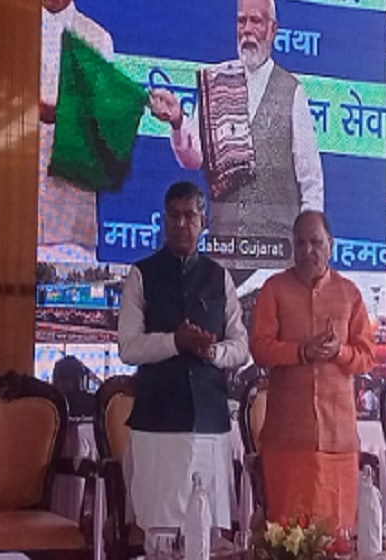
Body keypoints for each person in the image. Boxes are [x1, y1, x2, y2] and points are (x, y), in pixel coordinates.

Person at [148, 0, 324, 263]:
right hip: (226, 250)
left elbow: (310, 180)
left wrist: (309, 250)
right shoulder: (217, 83)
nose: (247, 30)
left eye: (256, 21)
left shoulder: (292, 91)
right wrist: (178, 121)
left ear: (273, 29)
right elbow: (193, 159)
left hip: (276, 255)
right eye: (242, 21)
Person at [117, 181, 250, 531]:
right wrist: (175, 342)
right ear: (164, 221)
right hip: (157, 424)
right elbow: (128, 347)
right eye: (173, 216)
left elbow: (241, 347)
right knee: (159, 534)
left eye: (189, 216)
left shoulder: (219, 277)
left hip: (210, 426)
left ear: (203, 221)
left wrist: (212, 351)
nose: (181, 224)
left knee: (209, 533)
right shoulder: (141, 274)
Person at [250, 211, 376, 529]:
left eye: (316, 242)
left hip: (338, 441)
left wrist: (340, 352)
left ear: (330, 244)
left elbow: (367, 356)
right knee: (288, 538)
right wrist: (301, 352)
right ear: (292, 246)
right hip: (287, 440)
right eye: (301, 243)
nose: (308, 250)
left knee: (337, 535)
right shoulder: (274, 289)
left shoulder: (349, 293)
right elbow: (260, 349)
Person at [39, 0, 114, 265]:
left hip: (71, 212)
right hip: (16, 204)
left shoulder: (97, 39)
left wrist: (51, 112)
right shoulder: (15, 33)